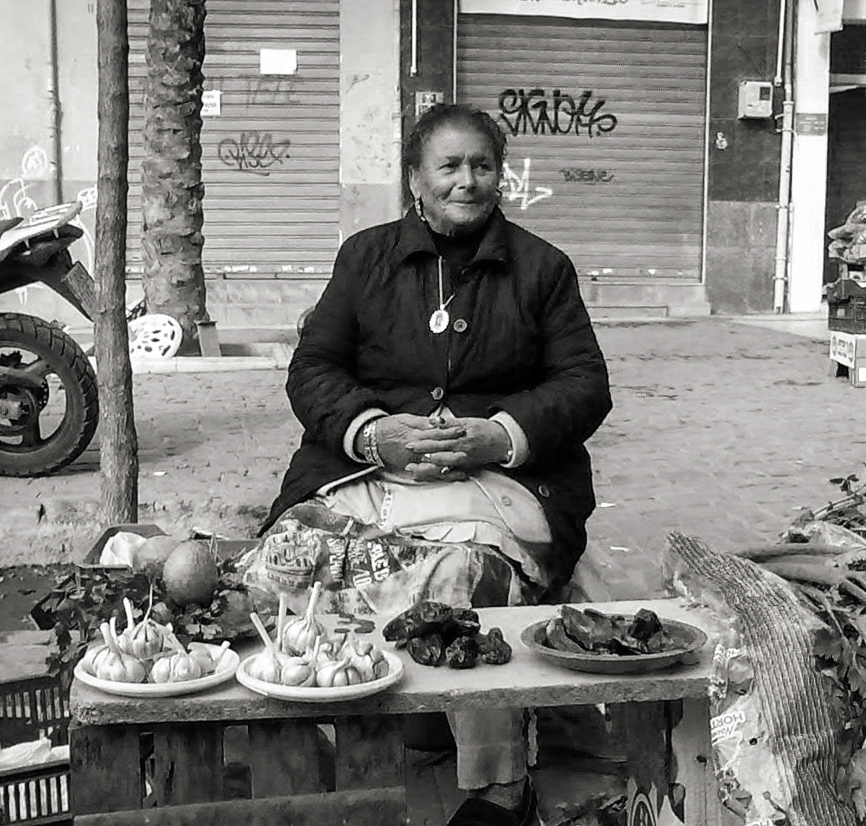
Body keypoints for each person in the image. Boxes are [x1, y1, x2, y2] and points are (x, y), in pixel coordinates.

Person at [246, 103, 612, 826]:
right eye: (449, 166)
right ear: (416, 177)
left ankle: (495, 785)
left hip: (493, 483)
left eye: (482, 165)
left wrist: (498, 436)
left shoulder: (543, 269)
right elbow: (313, 368)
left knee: (462, 585)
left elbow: (584, 384)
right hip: (366, 476)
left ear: (499, 175)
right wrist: (373, 432)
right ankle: (342, 748)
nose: (466, 181)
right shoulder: (365, 258)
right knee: (286, 568)